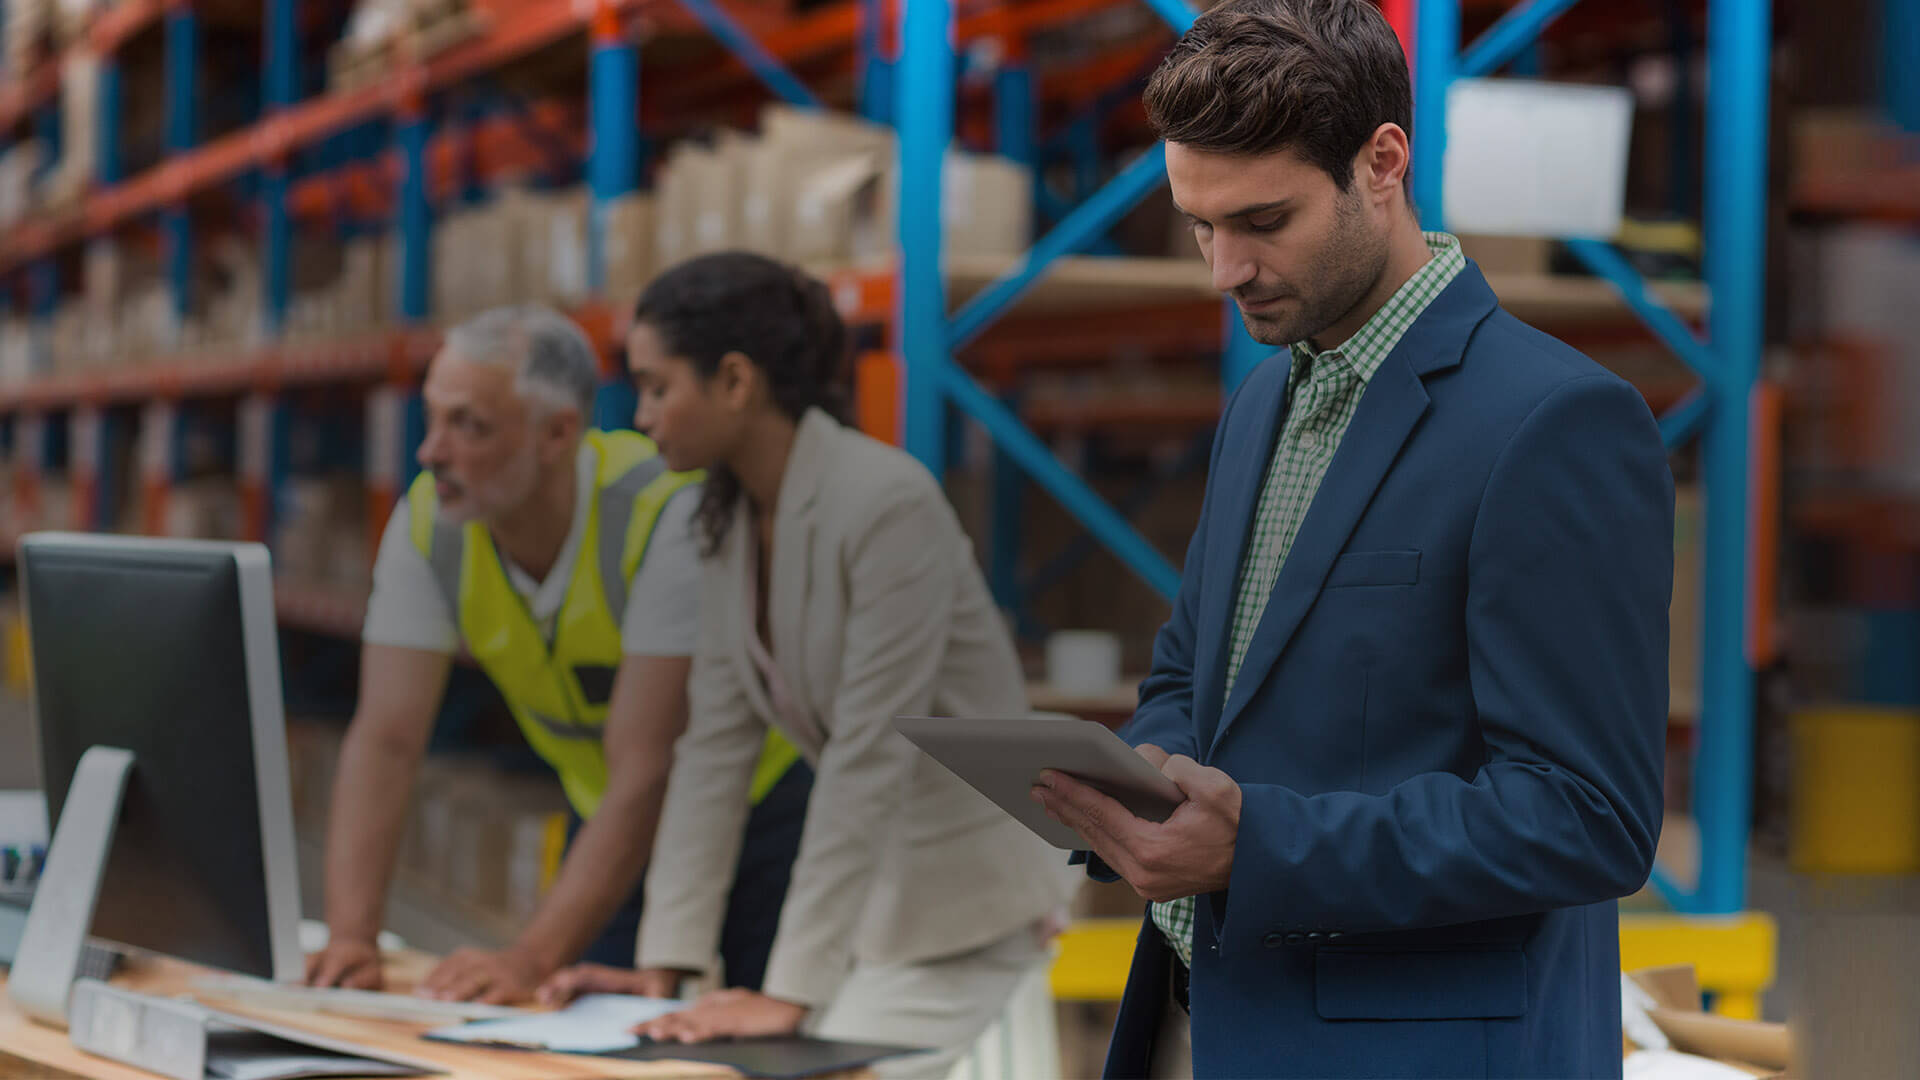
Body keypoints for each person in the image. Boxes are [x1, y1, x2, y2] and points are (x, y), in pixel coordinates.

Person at [1031, 2, 1673, 1077]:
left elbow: (1586, 815)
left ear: (1381, 163)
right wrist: (1143, 778)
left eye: (1263, 221)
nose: (1225, 268)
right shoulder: (1261, 405)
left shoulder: (1553, 422)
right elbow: (1197, 673)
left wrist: (1258, 846)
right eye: (1200, 225)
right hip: (1211, 1021)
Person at [535, 253, 1079, 1078]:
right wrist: (667, 967)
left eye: (656, 387)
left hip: (960, 910)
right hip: (871, 910)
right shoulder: (720, 518)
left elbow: (869, 759)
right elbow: (713, 752)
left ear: (735, 381)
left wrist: (786, 994)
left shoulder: (887, 504)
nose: (641, 415)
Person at [304, 304, 811, 1004]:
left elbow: (648, 766)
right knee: (585, 1032)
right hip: (610, 811)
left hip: (765, 810)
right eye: (432, 418)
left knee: (780, 1041)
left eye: (469, 426)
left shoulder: (667, 513)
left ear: (558, 434)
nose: (431, 453)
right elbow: (386, 737)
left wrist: (528, 957)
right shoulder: (433, 525)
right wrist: (352, 941)